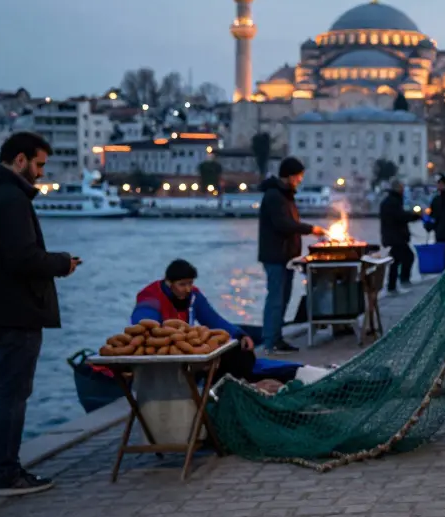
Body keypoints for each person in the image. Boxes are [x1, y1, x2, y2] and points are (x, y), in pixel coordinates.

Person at [0, 132, 79, 497]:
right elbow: (22, 258)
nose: (41, 173)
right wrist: (63, 263)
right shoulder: (11, 198)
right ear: (20, 159)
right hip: (16, 309)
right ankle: (7, 474)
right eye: (39, 164)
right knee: (12, 393)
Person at [132, 259, 298, 383]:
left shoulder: (193, 295)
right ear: (169, 283)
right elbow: (143, 327)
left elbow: (213, 319)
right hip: (164, 357)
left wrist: (239, 334)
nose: (188, 289)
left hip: (186, 350)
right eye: (182, 285)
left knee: (241, 354)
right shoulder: (151, 298)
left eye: (190, 283)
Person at [258, 156, 324, 354]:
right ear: (290, 175)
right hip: (275, 256)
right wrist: (311, 229)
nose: (300, 180)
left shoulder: (285, 195)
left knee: (283, 298)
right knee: (276, 299)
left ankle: (277, 338)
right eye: (299, 176)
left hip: (286, 257)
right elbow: (283, 224)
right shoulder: (274, 196)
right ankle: (270, 341)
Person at [379, 179, 421, 294]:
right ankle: (400, 282)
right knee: (407, 257)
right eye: (402, 187)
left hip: (392, 236)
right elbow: (400, 217)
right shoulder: (393, 202)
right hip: (396, 237)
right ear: (397, 188)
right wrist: (415, 216)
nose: (403, 190)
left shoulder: (390, 201)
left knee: (397, 260)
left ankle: (394, 285)